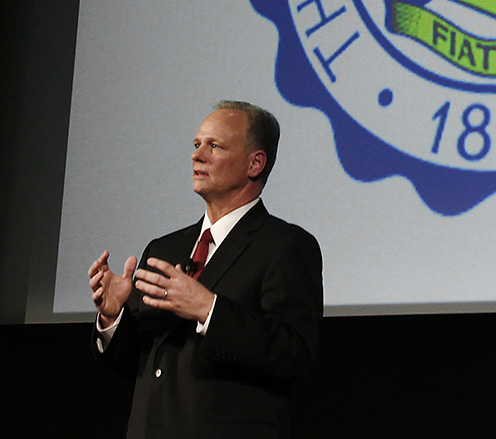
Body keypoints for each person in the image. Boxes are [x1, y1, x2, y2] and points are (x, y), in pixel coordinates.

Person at [88, 100, 323, 439]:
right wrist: (112, 319)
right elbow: (138, 365)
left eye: (215, 146)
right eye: (197, 144)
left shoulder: (285, 245)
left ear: (255, 163)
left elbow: (293, 354)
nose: (197, 155)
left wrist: (208, 309)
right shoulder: (163, 249)